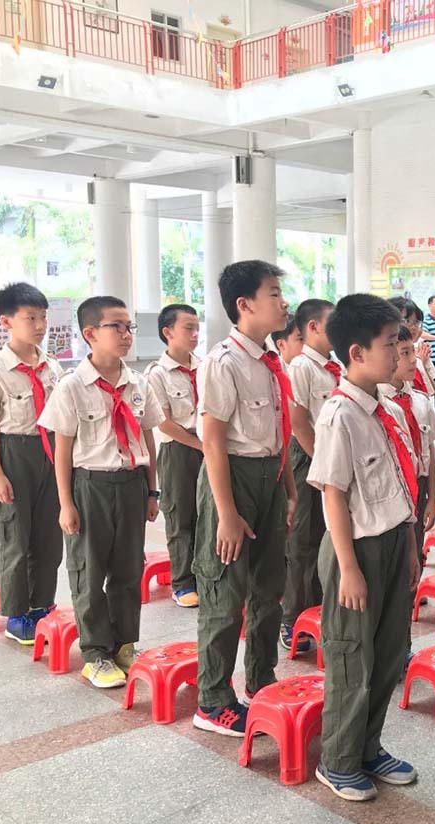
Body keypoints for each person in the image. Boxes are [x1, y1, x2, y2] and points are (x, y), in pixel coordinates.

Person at [309, 293, 421, 801]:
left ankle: (368, 747)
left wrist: (410, 546)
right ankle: (337, 760)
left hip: (394, 541)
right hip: (355, 550)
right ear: (356, 353)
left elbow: (400, 486)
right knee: (352, 657)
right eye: (390, 344)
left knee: (389, 652)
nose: (399, 352)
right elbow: (333, 494)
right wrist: (349, 568)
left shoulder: (387, 409)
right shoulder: (340, 415)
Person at [192, 260, 295, 736]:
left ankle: (260, 678)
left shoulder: (271, 361)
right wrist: (227, 514)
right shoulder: (223, 362)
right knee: (224, 591)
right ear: (244, 304)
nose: (283, 302)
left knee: (268, 587)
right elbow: (213, 441)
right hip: (231, 479)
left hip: (269, 477)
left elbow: (279, 431)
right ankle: (212, 700)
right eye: (273, 293)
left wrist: (288, 489)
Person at [38, 296, 163, 688]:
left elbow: (148, 437)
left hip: (131, 484)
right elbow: (62, 450)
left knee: (129, 569)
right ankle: (95, 654)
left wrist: (152, 491)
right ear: (90, 333)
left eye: (130, 327)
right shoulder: (72, 387)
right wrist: (66, 503)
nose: (127, 334)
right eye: (117, 327)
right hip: (90, 485)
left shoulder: (138, 383)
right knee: (89, 572)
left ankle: (124, 642)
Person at [0, 283, 64, 645]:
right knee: (16, 538)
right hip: (14, 453)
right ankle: (17, 614)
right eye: (30, 318)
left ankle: (43, 604)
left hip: (50, 452)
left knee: (49, 537)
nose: (40, 325)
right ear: (6, 321)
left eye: (43, 317)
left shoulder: (52, 366)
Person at [282, 299, 339, 653]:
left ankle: (319, 609)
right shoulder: (301, 367)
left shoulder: (334, 367)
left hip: (330, 459)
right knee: (302, 542)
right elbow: (298, 421)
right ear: (314, 327)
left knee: (325, 536)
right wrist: (321, 463)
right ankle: (292, 618)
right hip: (308, 456)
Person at [144, 303, 203, 608]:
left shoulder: (205, 367)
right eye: (188, 328)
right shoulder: (157, 374)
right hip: (178, 449)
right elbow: (163, 422)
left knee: (208, 513)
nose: (195, 334)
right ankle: (183, 583)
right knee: (181, 515)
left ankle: (206, 575)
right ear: (168, 332)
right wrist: (201, 446)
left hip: (208, 445)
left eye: (197, 328)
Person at [380, 324, 435, 588]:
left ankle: (409, 601)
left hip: (419, 485)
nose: (413, 360)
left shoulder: (421, 401)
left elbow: (430, 452)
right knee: (392, 559)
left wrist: (432, 498)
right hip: (392, 490)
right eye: (405, 353)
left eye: (413, 352)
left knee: (415, 556)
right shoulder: (380, 405)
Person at [392, 297, 435, 397]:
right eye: (407, 321)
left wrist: (422, 363)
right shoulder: (389, 354)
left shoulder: (421, 351)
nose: (413, 327)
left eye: (416, 322)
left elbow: (432, 389)